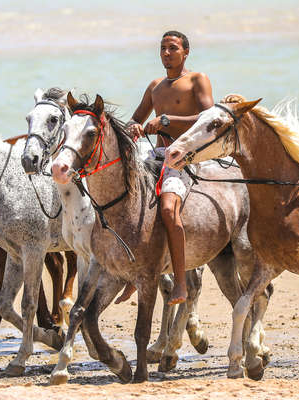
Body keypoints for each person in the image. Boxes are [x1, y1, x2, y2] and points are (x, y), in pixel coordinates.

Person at [126, 30, 214, 305]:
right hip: (157, 155)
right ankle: (130, 274)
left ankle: (180, 283)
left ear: (185, 52)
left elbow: (209, 119)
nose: (166, 53)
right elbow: (133, 121)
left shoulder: (197, 80)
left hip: (186, 156)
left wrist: (166, 120)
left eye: (172, 48)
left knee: (166, 209)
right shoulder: (155, 86)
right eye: (163, 48)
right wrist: (135, 127)